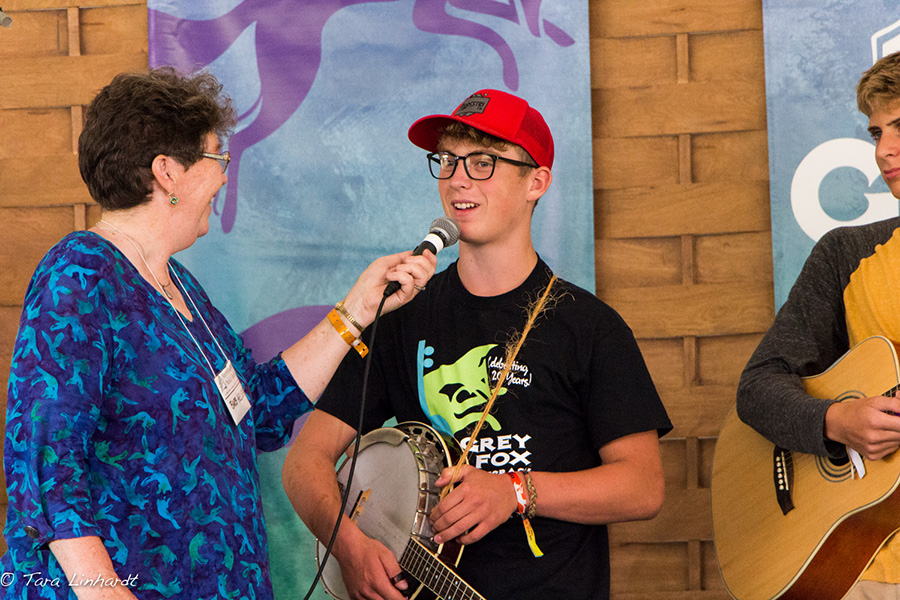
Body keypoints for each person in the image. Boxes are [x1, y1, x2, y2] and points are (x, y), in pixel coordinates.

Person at [0, 67, 435, 599]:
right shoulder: (80, 273)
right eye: (216, 159)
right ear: (167, 172)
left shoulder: (179, 284)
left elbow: (260, 410)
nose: (225, 177)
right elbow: (44, 460)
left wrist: (357, 309)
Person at [282, 88, 672, 600]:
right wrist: (350, 547)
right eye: (447, 160)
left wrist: (516, 492)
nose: (458, 178)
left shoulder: (591, 327)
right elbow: (304, 461)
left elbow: (643, 487)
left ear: (537, 182)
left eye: (483, 162)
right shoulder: (400, 316)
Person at [737, 51, 900, 599]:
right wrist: (835, 420)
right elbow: (759, 386)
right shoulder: (847, 253)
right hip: (867, 568)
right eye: (876, 131)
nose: (883, 150)